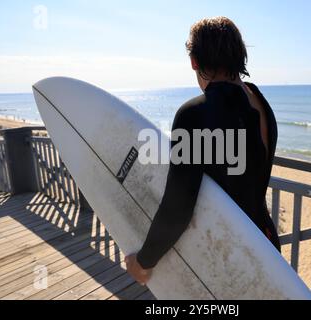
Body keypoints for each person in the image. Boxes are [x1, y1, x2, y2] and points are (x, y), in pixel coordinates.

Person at [125, 16, 280, 286]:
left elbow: (178, 206)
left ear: (194, 62)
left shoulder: (193, 114)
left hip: (227, 259)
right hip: (265, 245)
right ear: (238, 54)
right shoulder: (261, 103)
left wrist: (144, 261)